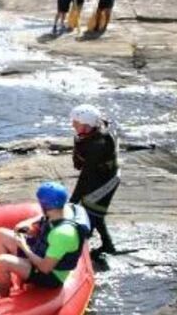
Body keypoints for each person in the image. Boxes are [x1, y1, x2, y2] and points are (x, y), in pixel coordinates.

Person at [0, 182, 90, 297]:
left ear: (44, 205)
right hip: (42, 252)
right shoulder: (62, 209)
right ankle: (6, 278)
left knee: (3, 261)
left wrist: (24, 246)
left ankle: (3, 291)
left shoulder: (63, 234)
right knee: (0, 233)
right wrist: (29, 223)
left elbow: (45, 268)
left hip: (52, 275)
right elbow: (43, 218)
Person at [69, 104, 119, 259]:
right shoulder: (90, 132)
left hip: (106, 179)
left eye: (76, 123)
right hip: (98, 173)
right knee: (94, 211)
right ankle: (108, 244)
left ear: (86, 125)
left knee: (91, 209)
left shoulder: (99, 144)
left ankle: (82, 247)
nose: (73, 125)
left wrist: (72, 202)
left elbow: (85, 176)